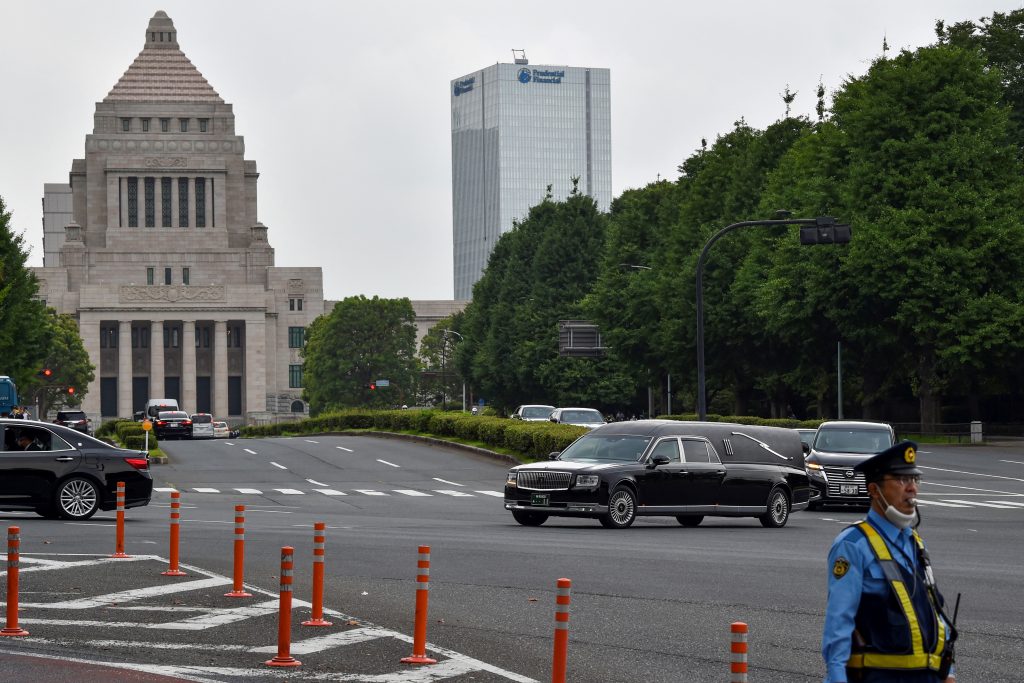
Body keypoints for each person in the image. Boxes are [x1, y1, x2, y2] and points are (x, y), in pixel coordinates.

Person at [822, 441, 957, 683]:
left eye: (915, 480)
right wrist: (836, 678)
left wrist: (950, 671)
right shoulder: (853, 544)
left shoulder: (915, 542)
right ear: (875, 490)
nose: (912, 489)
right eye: (902, 480)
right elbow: (839, 622)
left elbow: (933, 609)